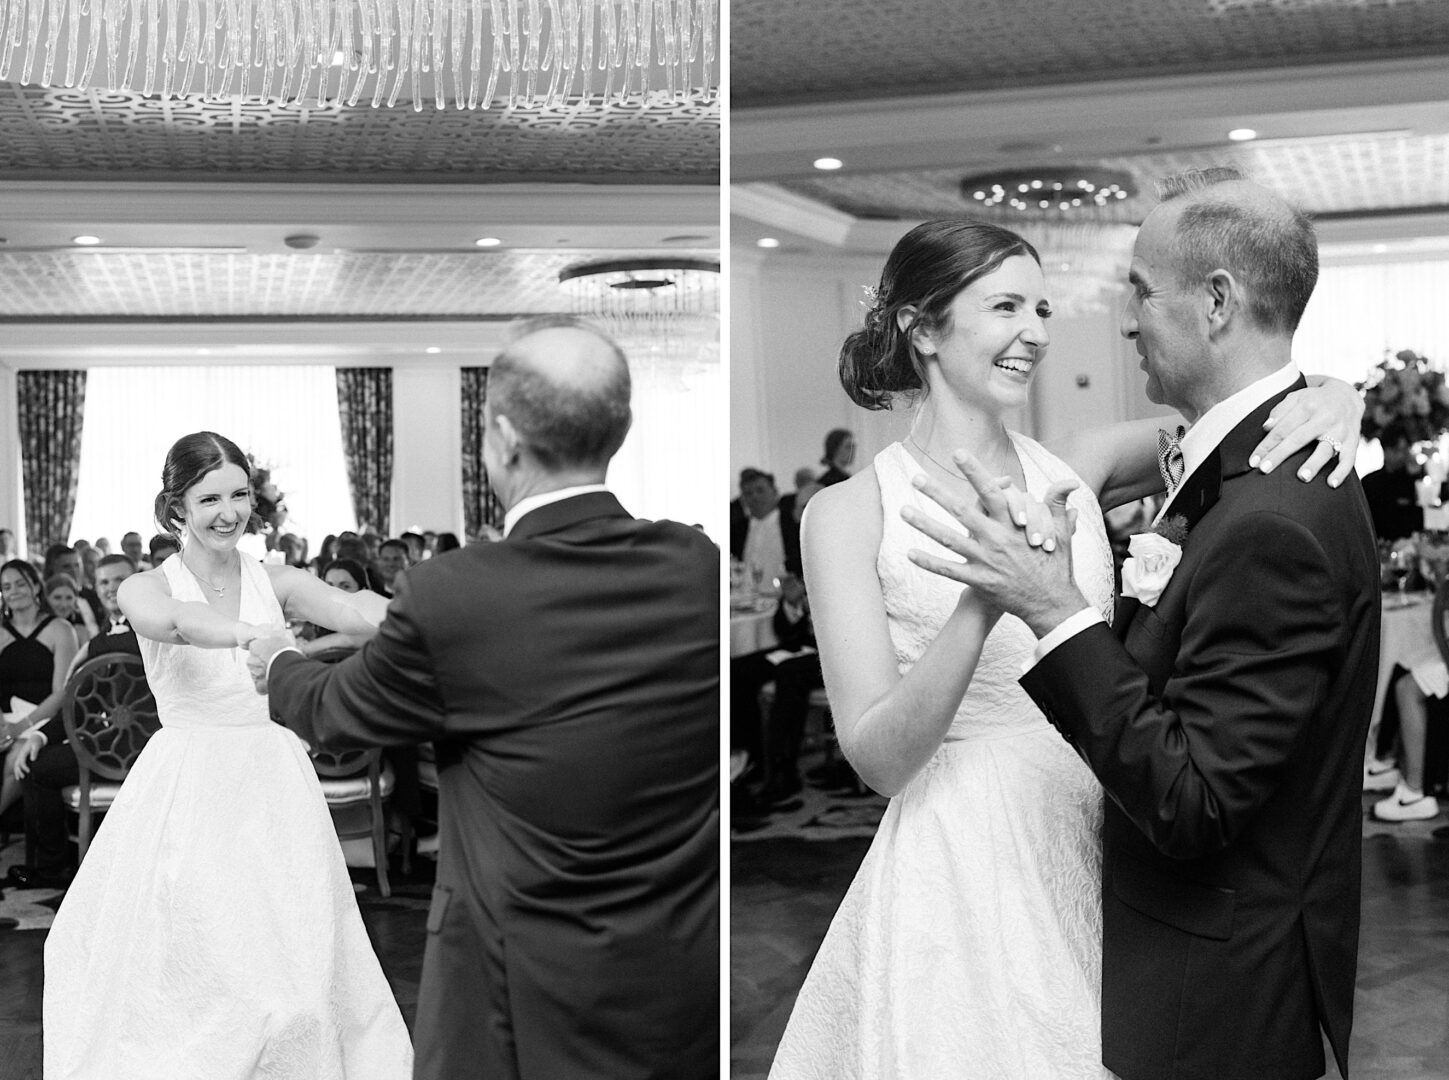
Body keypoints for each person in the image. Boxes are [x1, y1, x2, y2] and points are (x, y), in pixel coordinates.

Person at [768, 209, 1363, 1079]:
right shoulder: (847, 515)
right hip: (966, 858)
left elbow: (1239, 433)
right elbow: (879, 761)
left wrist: (1339, 394)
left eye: (1042, 311)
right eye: (1006, 308)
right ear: (922, 327)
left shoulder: (1075, 468)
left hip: (1111, 821)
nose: (1034, 335)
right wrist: (984, 598)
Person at [248, 315, 719, 1080]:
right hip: (680, 967)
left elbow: (336, 711)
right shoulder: (693, 565)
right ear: (621, 429)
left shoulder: (454, 594)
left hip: (521, 988)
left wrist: (276, 661)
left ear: (500, 438)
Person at [41, 431, 413, 1079]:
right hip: (187, 784)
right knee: (196, 945)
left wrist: (422, 615)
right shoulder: (144, 586)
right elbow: (178, 624)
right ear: (175, 505)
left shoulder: (276, 579)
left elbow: (352, 609)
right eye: (209, 497)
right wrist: (253, 637)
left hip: (272, 778)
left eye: (239, 494)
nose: (228, 512)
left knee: (287, 943)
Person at [7, 555, 141, 889]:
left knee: (38, 773)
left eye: (119, 580)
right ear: (95, 588)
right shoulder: (104, 640)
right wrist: (39, 737)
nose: (111, 588)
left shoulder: (116, 640)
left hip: (131, 751)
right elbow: (79, 705)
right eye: (104, 582)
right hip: (116, 746)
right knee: (36, 758)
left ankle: (54, 868)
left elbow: (78, 705)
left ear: (137, 581)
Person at [729, 468, 801, 583]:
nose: (755, 497)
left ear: (775, 491)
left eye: (760, 490)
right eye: (748, 493)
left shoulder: (793, 525)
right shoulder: (736, 530)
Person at [1361, 423, 1423, 541]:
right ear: (1385, 449)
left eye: (1405, 450)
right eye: (1397, 450)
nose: (1401, 455)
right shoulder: (1370, 482)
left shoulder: (1414, 480)